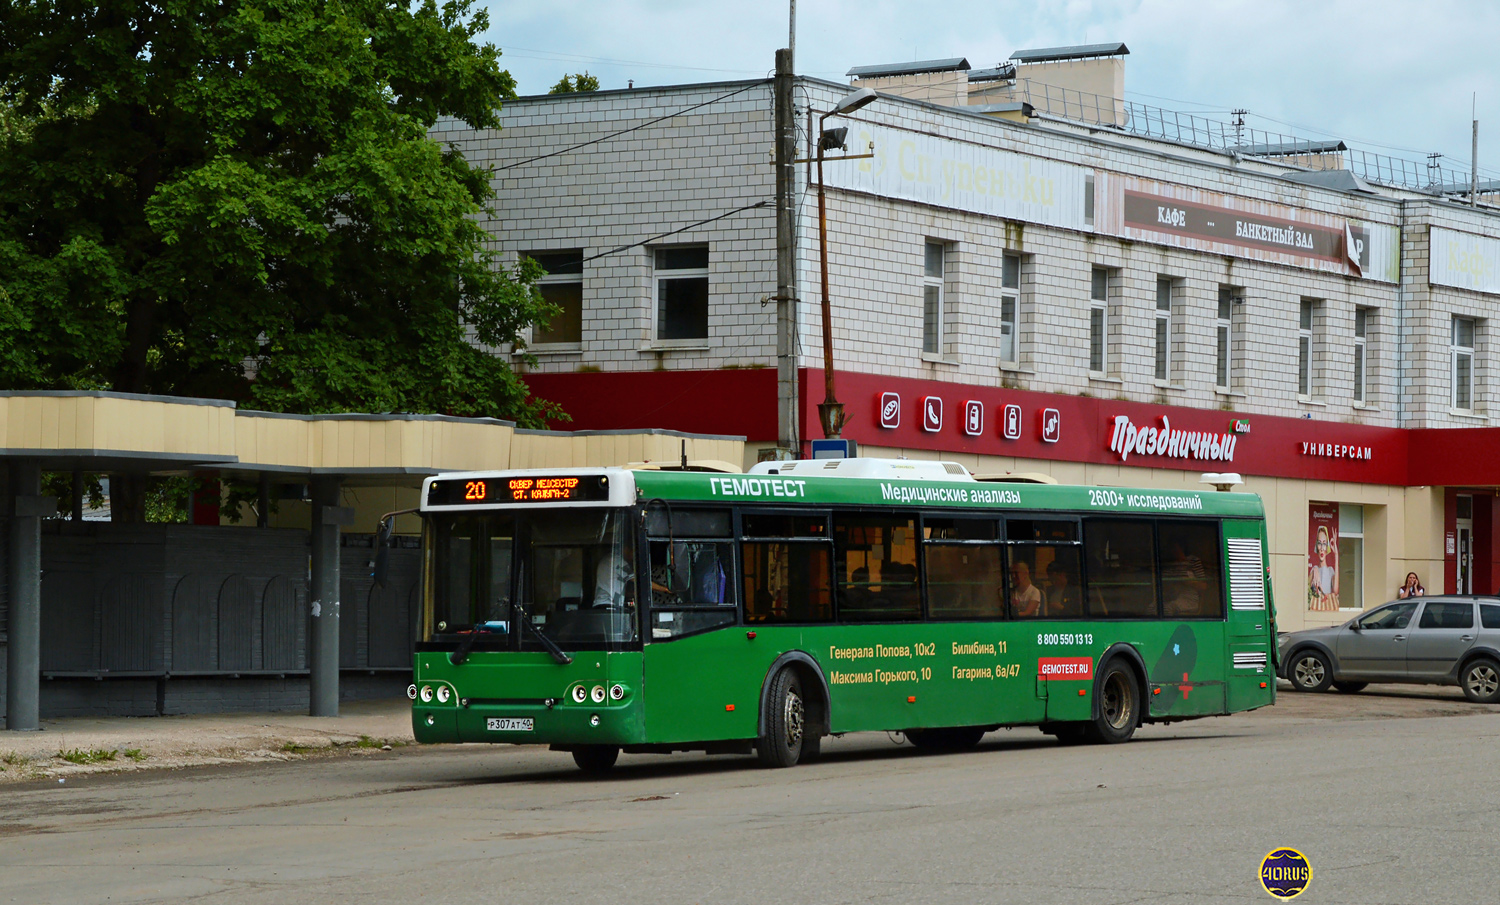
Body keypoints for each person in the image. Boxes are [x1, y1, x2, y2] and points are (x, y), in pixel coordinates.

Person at [1163, 540, 1208, 617]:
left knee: (1166, 609)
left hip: (1188, 599)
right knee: (1153, 608)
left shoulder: (1193, 561)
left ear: (1182, 548)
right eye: (1171, 549)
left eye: (1175, 548)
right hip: (1171, 596)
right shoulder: (1170, 564)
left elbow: (1204, 586)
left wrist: (1188, 582)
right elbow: (1163, 582)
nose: (1173, 551)